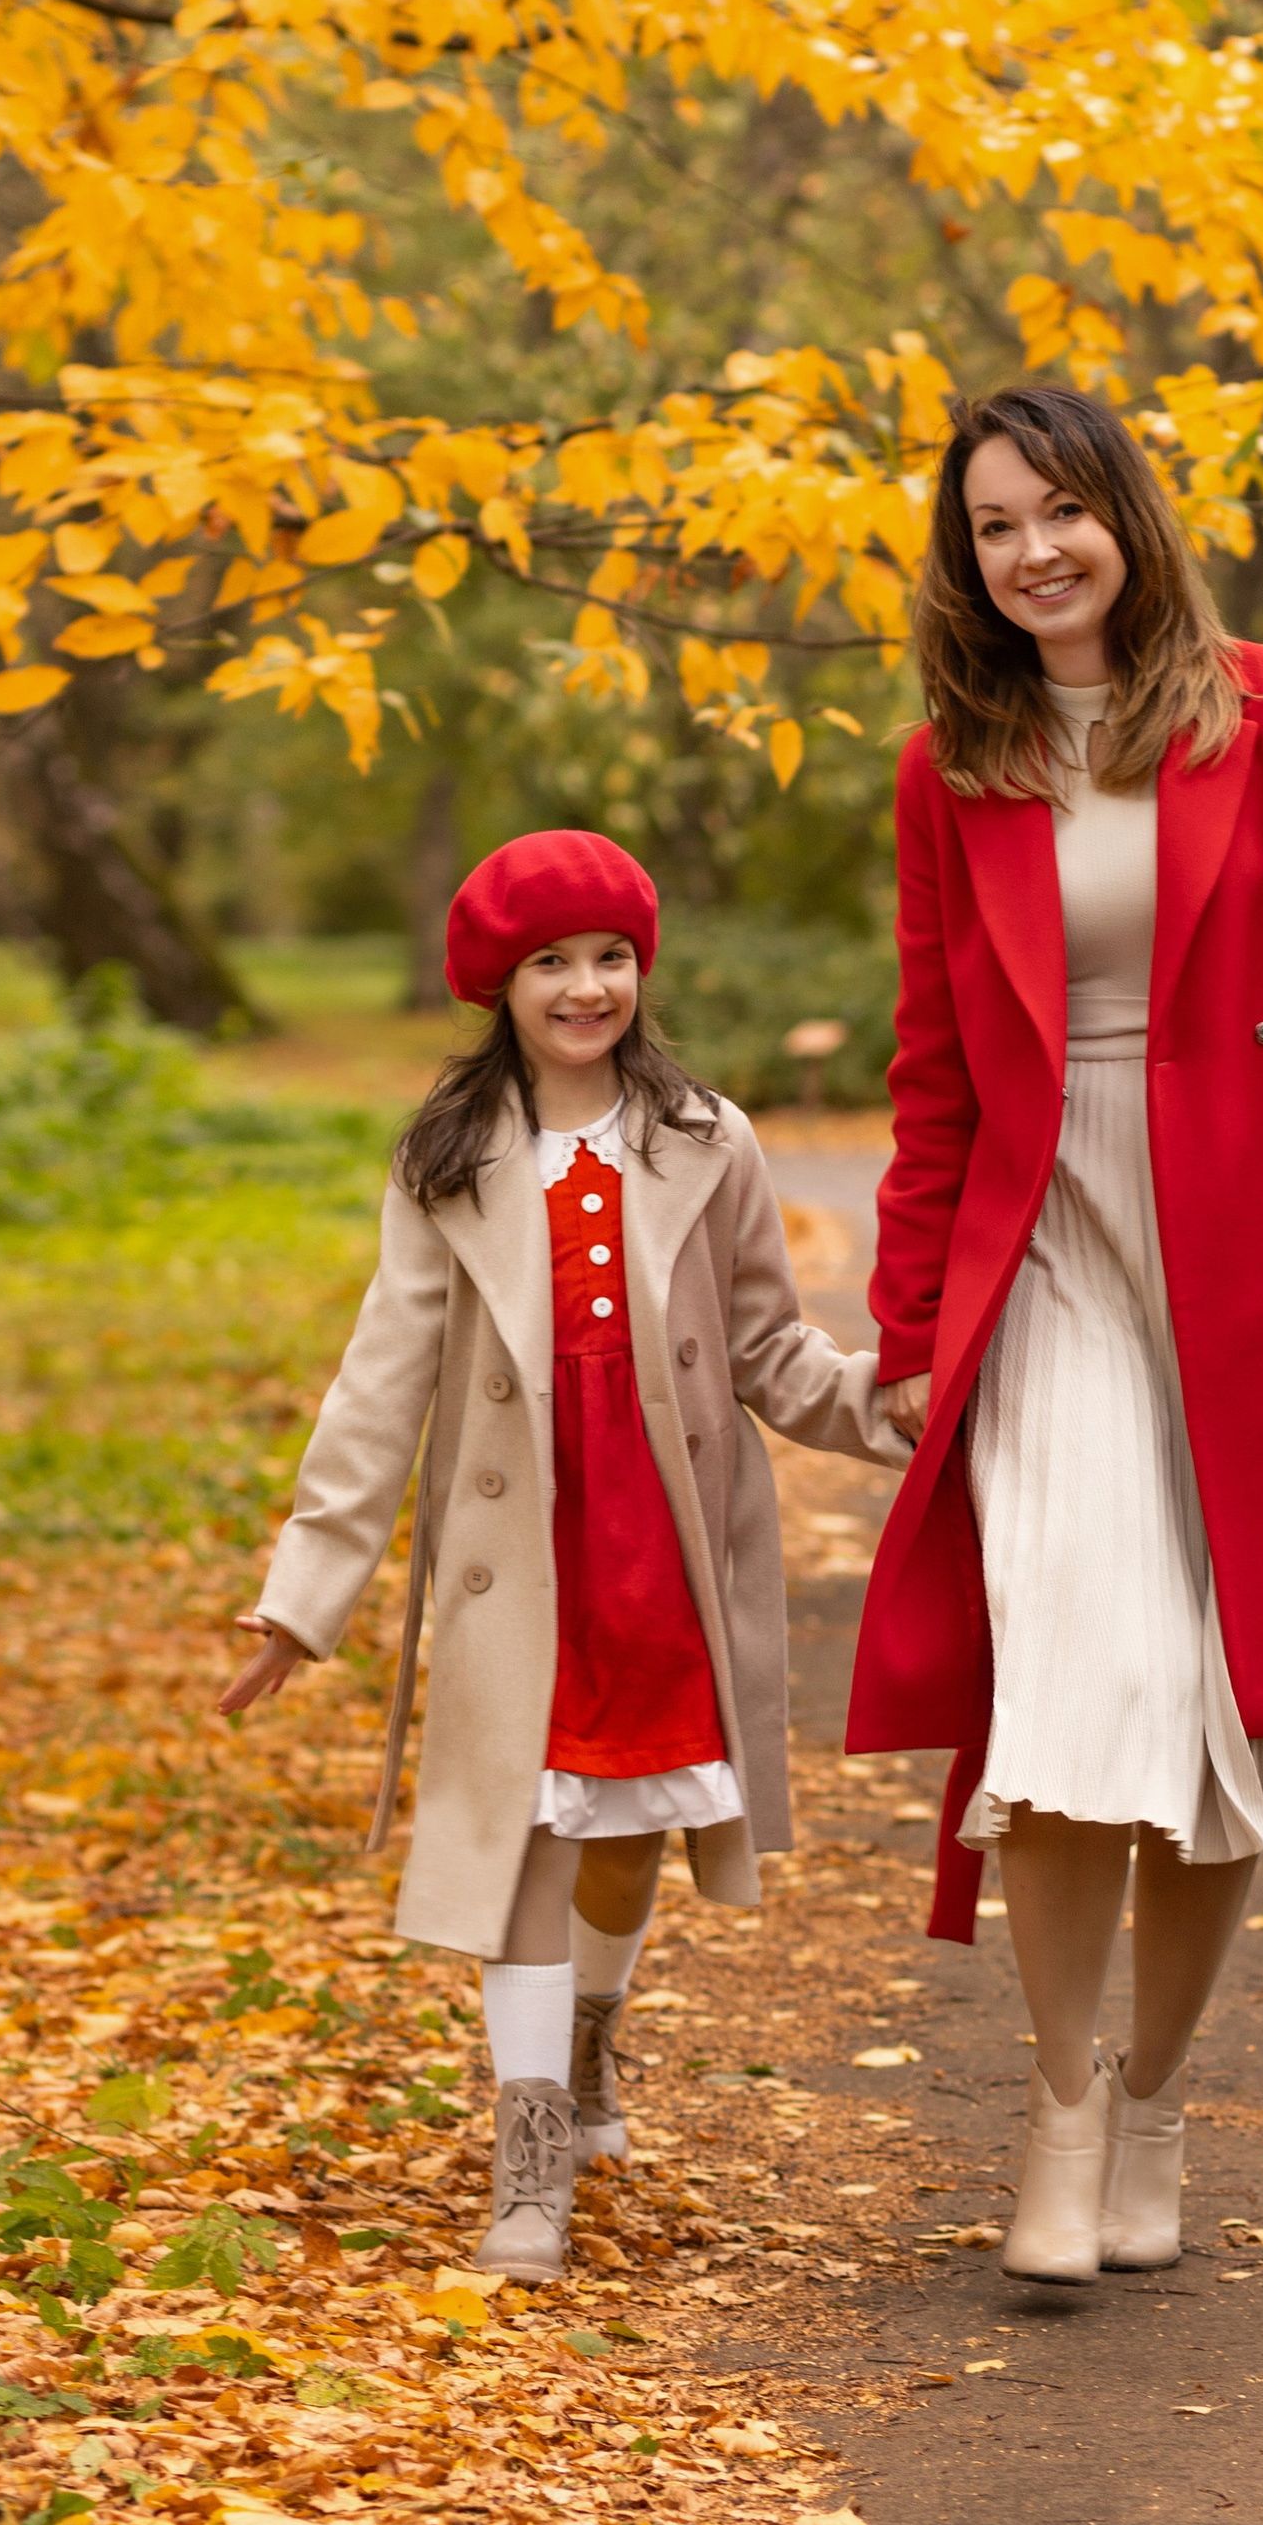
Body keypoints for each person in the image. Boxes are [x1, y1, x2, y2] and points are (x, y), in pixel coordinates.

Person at [853, 385, 1263, 2286]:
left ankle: (1153, 2102)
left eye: (1061, 511)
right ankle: (1062, 2114)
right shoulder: (951, 767)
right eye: (993, 526)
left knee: (1224, 1709)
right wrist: (910, 1326)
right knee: (1075, 1689)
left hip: (1252, 1242)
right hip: (1049, 1241)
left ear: (1126, 520)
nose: (1032, 551)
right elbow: (933, 1072)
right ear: (965, 560)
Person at [218, 829, 907, 2280]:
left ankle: (591, 2034)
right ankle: (528, 2154)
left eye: (609, 957)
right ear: (500, 984)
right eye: (550, 962)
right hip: (516, 1550)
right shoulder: (450, 1158)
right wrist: (303, 1597)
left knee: (628, 1831)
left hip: (663, 1547)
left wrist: (890, 1411)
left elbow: (768, 1343)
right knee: (528, 1826)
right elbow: (382, 1376)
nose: (586, 987)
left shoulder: (707, 1137)